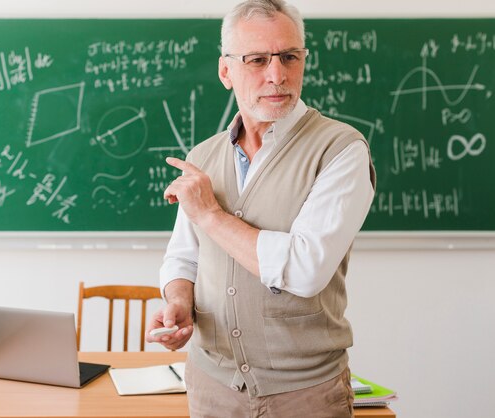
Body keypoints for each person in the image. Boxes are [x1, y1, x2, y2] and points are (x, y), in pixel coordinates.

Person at [146, 1, 376, 416]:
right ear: (225, 71)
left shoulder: (341, 150)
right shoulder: (203, 156)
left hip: (305, 396)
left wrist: (211, 215)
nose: (277, 74)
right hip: (210, 385)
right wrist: (179, 302)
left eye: (290, 57)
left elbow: (304, 271)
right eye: (256, 60)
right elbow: (183, 257)